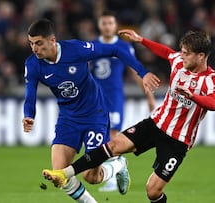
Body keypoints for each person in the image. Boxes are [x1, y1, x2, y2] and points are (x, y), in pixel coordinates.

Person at [42, 29, 215, 203]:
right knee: (113, 145)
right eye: (181, 52)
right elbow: (166, 52)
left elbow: (213, 103)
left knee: (153, 191)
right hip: (156, 124)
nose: (181, 56)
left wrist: (192, 96)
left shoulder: (212, 79)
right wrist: (141, 40)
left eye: (186, 54)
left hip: (178, 140)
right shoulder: (178, 61)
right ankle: (65, 173)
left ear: (201, 56)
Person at [22, 19, 160, 203]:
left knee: (91, 176)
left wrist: (143, 73)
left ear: (52, 40)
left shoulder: (75, 49)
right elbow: (30, 93)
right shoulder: (32, 64)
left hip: (95, 114)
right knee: (59, 173)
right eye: (31, 43)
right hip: (68, 118)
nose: (34, 48)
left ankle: (119, 164)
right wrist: (28, 115)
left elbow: (116, 50)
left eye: (38, 43)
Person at [90, 11, 156, 192]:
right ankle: (116, 166)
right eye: (104, 23)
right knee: (97, 136)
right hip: (94, 99)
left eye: (110, 23)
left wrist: (149, 96)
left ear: (115, 25)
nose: (107, 26)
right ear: (99, 25)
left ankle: (112, 173)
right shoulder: (92, 46)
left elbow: (135, 72)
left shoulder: (123, 47)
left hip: (113, 98)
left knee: (111, 134)